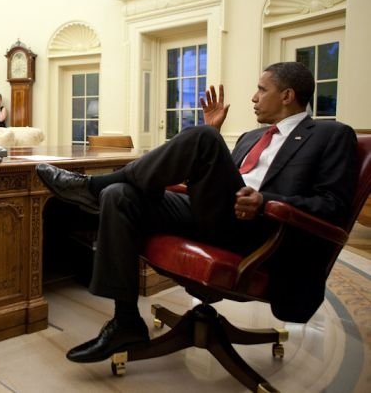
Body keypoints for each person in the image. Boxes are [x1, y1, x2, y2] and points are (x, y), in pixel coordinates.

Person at [36, 61, 358, 364]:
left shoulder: (331, 136)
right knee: (119, 196)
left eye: (261, 89)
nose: (253, 97)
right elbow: (219, 185)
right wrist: (214, 134)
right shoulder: (251, 137)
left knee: (201, 141)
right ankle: (126, 321)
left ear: (287, 96)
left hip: (261, 232)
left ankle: (91, 188)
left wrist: (264, 200)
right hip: (218, 216)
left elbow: (334, 206)